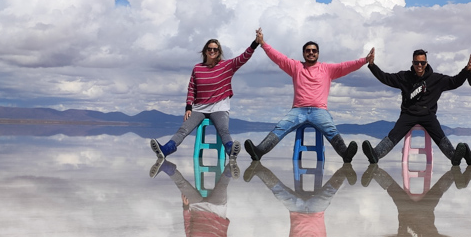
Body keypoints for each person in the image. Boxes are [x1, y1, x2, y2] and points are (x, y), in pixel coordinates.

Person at [244, 31, 372, 163]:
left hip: (319, 111)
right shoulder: (296, 67)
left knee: (330, 128)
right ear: (304, 53)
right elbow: (278, 58)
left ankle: (345, 153)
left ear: (318, 53)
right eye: (308, 50)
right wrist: (263, 43)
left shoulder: (327, 69)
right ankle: (259, 151)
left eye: (314, 51)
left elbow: (346, 66)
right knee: (281, 126)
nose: (311, 53)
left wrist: (365, 60)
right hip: (298, 110)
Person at [149, 35, 259, 164]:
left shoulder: (226, 66)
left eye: (215, 49)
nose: (212, 51)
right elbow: (191, 88)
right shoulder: (197, 68)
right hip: (199, 107)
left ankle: (231, 150)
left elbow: (243, 57)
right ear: (205, 51)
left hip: (219, 106)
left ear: (219, 52)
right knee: (183, 129)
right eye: (209, 49)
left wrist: (255, 43)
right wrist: (188, 107)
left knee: (223, 130)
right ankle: (165, 150)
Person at [362, 49, 471, 163]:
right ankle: (375, 154)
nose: (419, 65)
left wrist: (466, 70)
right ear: (412, 62)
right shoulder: (404, 77)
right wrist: (372, 65)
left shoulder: (436, 79)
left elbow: (455, 82)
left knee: (439, 135)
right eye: (416, 63)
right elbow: (386, 78)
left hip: (428, 115)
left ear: (426, 63)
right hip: (408, 114)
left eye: (422, 63)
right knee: (395, 133)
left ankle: (454, 157)